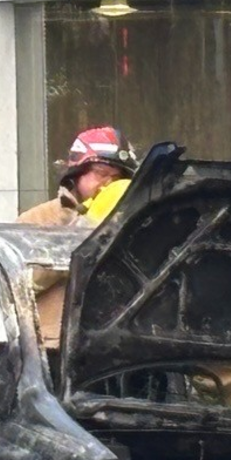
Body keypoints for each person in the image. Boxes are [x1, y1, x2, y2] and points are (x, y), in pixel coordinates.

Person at [16, 127, 139, 350]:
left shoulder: (134, 225)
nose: (107, 185)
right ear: (77, 173)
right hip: (52, 353)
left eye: (117, 179)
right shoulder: (37, 219)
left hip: (118, 350)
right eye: (101, 173)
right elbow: (21, 283)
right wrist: (86, 230)